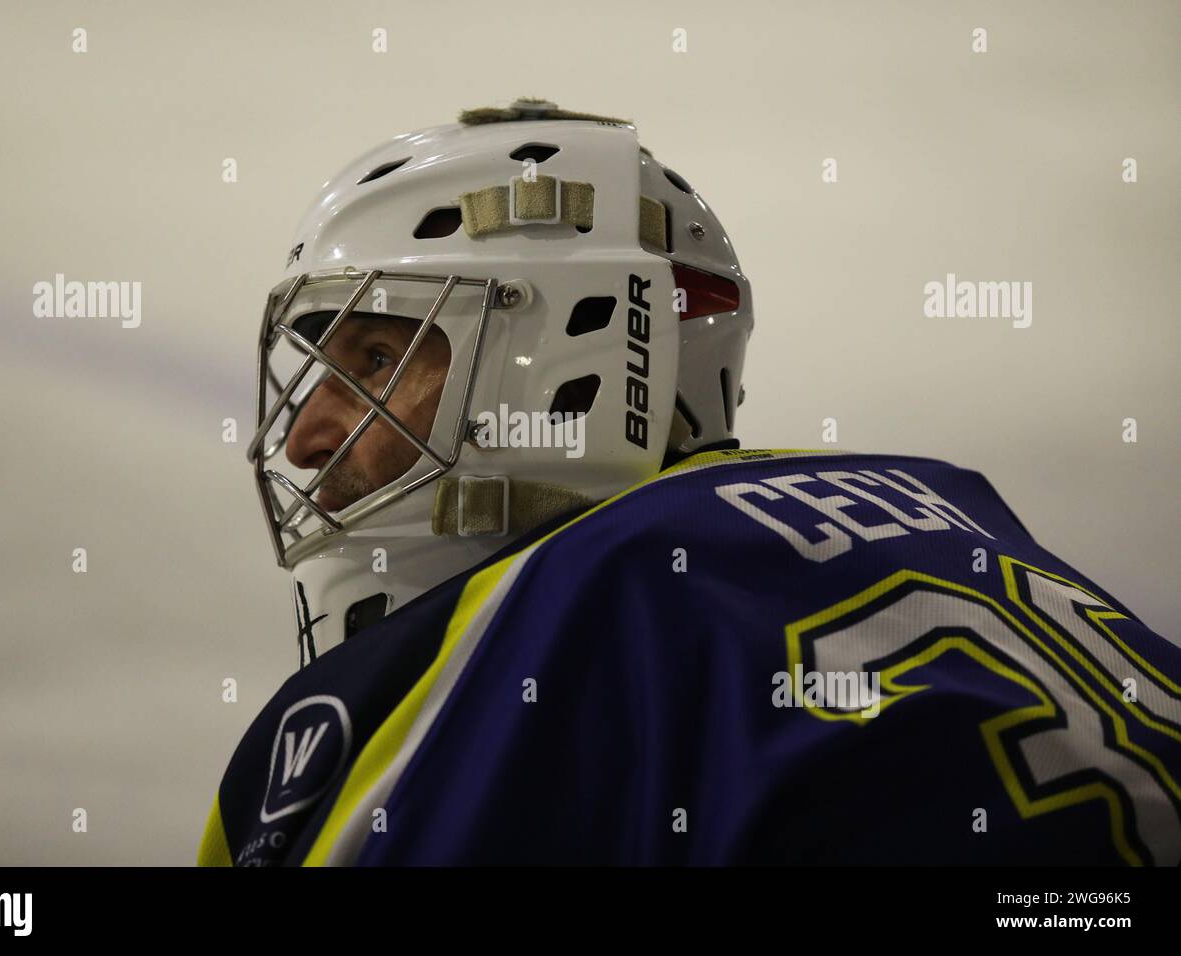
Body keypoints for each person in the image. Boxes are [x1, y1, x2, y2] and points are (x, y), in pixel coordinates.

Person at [198, 99, 1181, 866]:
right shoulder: (953, 505)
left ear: (556, 341)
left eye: (374, 357)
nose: (307, 440)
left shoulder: (543, 614)